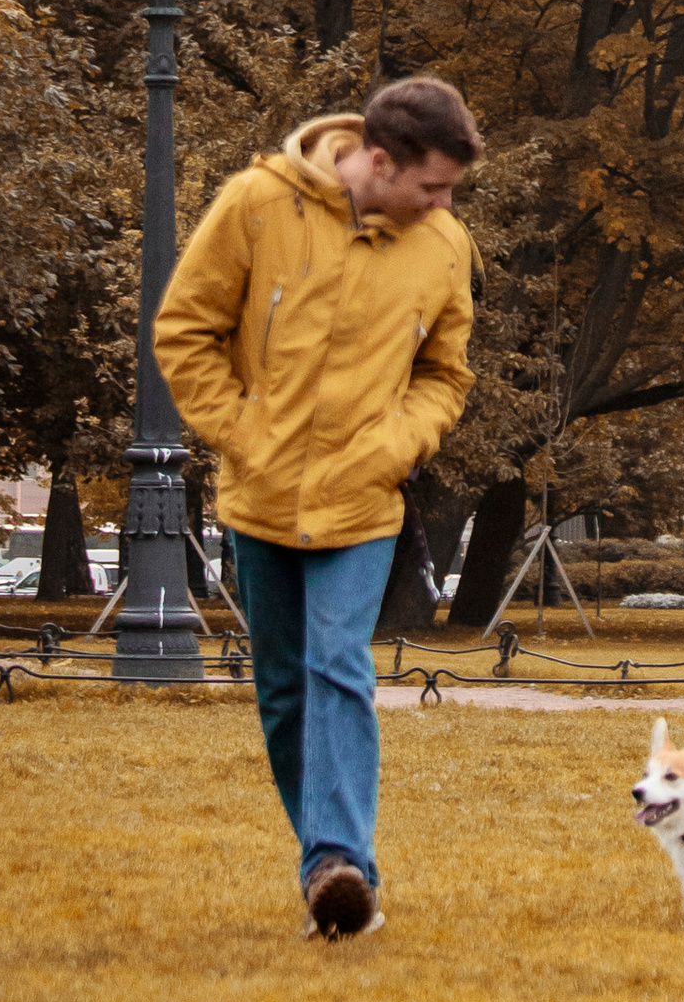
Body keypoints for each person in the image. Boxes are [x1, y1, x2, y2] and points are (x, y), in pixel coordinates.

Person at [156, 77, 481, 941]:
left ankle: (341, 866)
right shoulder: (256, 204)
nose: (444, 206)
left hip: (362, 503)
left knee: (340, 663)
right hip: (260, 496)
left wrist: (396, 445)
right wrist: (242, 433)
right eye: (432, 188)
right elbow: (184, 329)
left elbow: (446, 375)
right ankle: (328, 874)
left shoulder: (443, 246)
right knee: (283, 689)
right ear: (379, 161)